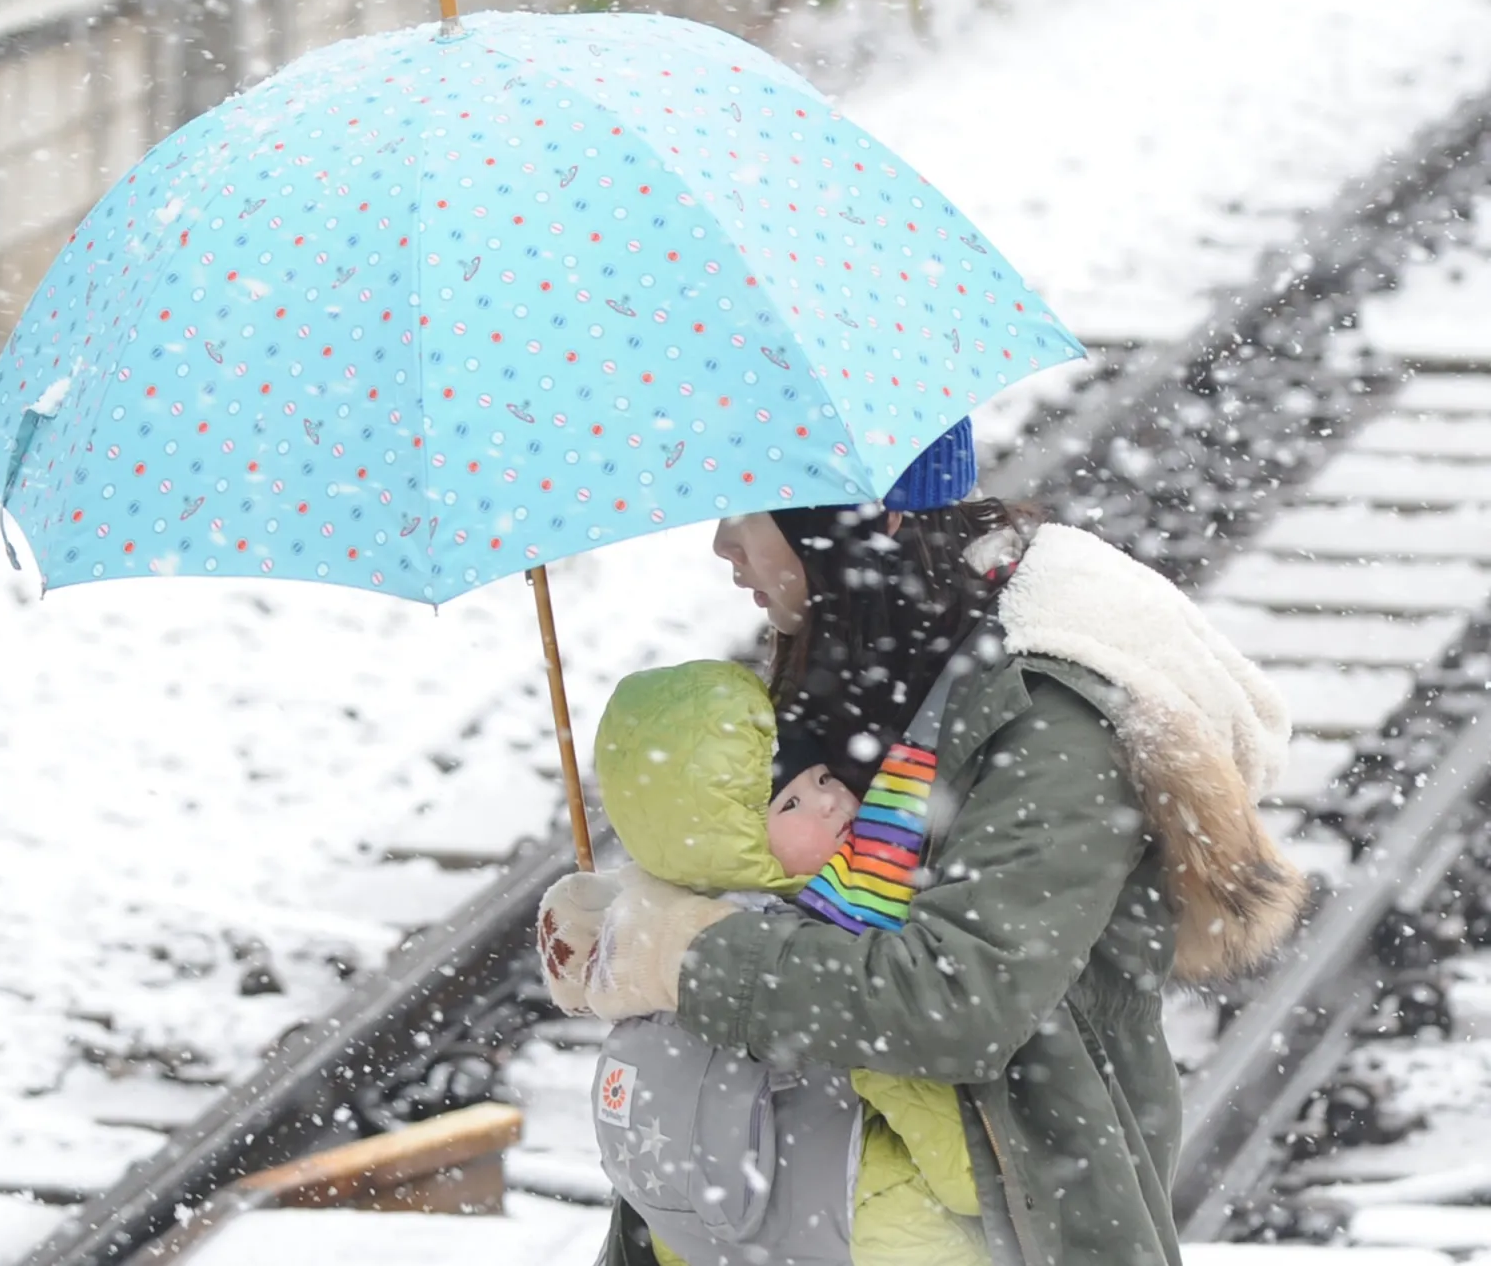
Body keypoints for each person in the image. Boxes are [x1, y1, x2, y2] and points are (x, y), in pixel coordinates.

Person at [538, 418, 1307, 1266]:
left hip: (986, 1226)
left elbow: (958, 1001)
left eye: (751, 506)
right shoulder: (855, 659)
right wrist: (633, 914)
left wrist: (681, 956)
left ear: (871, 517)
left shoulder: (1048, 716)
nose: (723, 544)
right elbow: (783, 893)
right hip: (773, 1207)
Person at [553, 657, 989, 1266]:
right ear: (731, 838)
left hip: (715, 1231)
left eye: (822, 777)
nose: (835, 802)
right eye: (791, 804)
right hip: (861, 1226)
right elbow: (914, 1098)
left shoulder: (653, 944)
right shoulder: (802, 945)